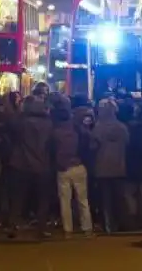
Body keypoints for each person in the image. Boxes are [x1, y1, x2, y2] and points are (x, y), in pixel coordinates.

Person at [7, 96, 53, 238]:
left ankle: (13, 226)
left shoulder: (22, 122)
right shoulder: (48, 123)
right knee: (43, 199)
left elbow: (10, 127)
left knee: (18, 198)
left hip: (22, 164)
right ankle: (42, 227)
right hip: (42, 165)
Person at [51, 100, 93, 238]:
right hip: (78, 166)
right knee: (83, 200)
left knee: (65, 201)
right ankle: (87, 228)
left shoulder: (55, 132)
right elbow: (87, 147)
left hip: (62, 168)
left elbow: (51, 151)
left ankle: (68, 230)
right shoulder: (79, 131)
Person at [91, 99, 129, 234]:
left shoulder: (98, 128)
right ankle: (123, 223)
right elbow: (127, 144)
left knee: (105, 199)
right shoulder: (122, 127)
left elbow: (93, 147)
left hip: (102, 167)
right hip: (119, 165)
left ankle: (108, 225)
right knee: (120, 198)